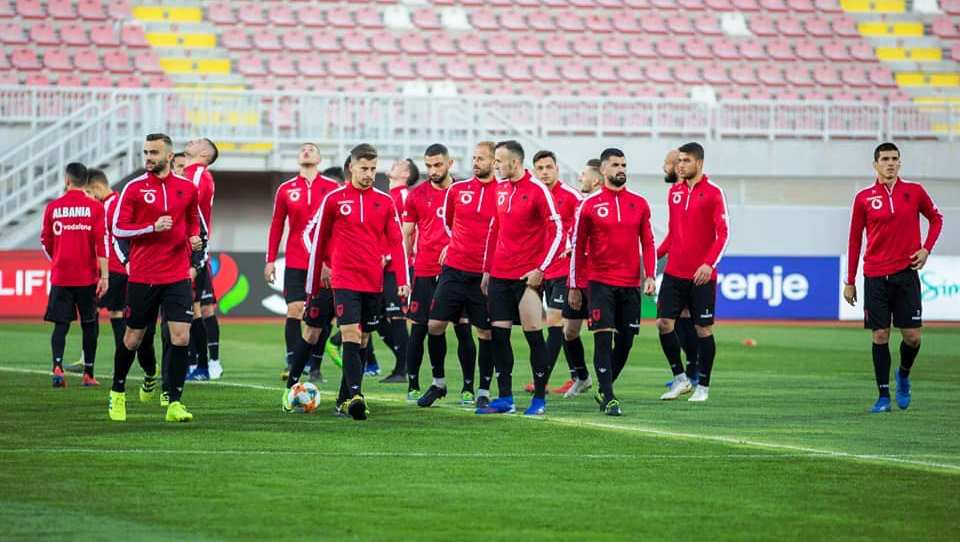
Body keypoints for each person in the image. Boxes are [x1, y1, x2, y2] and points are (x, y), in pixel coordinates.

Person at [284, 143, 408, 420]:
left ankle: (344, 398)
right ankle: (349, 394)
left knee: (362, 340)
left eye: (373, 169)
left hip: (372, 282)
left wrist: (403, 279)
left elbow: (397, 242)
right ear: (351, 167)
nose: (369, 174)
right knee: (339, 333)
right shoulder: (334, 199)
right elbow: (315, 241)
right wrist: (314, 284)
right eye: (364, 168)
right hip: (342, 279)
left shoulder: (384, 201)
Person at [109, 133, 203, 423]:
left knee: (181, 336)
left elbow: (192, 221)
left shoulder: (187, 188)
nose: (148, 157)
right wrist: (151, 226)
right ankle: (117, 392)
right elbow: (119, 229)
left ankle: (174, 402)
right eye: (146, 152)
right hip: (144, 275)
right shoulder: (133, 188)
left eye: (154, 153)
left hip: (176, 275)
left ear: (170, 156)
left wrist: (193, 238)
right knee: (133, 338)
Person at [844, 142, 943, 413]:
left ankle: (904, 374)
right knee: (880, 335)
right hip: (875, 275)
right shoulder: (864, 198)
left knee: (912, 337)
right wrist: (850, 280)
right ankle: (883, 397)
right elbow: (854, 239)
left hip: (906, 275)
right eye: (885, 159)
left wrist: (926, 249)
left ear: (900, 163)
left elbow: (936, 219)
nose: (890, 163)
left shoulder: (914, 192)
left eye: (895, 159)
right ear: (875, 164)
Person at [478, 140, 563, 416]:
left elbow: (558, 231)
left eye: (499, 160)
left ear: (514, 162)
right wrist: (487, 269)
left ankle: (539, 398)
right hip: (500, 275)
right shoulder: (499, 189)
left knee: (533, 336)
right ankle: (505, 398)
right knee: (499, 336)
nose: (495, 165)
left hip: (526, 278)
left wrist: (541, 269)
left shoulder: (538, 190)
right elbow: (494, 229)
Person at [569, 148, 656, 416]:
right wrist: (574, 284)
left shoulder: (639, 203)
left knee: (627, 341)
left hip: (630, 284)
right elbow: (578, 245)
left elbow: (648, 241)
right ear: (603, 170)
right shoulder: (589, 205)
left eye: (624, 165)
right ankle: (608, 396)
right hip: (600, 282)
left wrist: (650, 274)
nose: (621, 169)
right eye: (616, 165)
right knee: (603, 339)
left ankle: (604, 387)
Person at [426, 141, 499, 409]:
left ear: (495, 162)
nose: (476, 162)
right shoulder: (458, 189)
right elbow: (449, 222)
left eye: (482, 158)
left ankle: (483, 389)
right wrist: (453, 245)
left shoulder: (502, 193)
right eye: (474, 157)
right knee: (434, 325)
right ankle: (438, 383)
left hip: (483, 274)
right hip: (454, 269)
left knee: (485, 333)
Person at [656, 142, 729, 403]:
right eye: (679, 161)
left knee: (703, 330)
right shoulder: (674, 192)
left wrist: (709, 264)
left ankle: (703, 386)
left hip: (702, 276)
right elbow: (674, 232)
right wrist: (655, 254)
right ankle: (680, 378)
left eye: (685, 161)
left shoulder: (713, 193)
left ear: (698, 163)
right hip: (675, 272)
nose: (680, 165)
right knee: (664, 324)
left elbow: (723, 233)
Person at [406, 144, 477, 407]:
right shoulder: (416, 196)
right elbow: (407, 233)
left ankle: (468, 388)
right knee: (420, 328)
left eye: (438, 165)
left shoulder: (464, 192)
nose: (433, 170)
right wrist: (406, 271)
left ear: (450, 163)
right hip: (425, 269)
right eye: (428, 166)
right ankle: (414, 384)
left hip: (457, 270)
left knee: (462, 329)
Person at [265, 143, 340, 381]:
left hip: (324, 265)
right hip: (296, 261)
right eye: (302, 150)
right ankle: (293, 362)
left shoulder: (331, 188)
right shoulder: (286, 189)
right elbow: (277, 225)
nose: (306, 152)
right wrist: (270, 260)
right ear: (298, 158)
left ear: (319, 158)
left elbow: (337, 229)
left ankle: (315, 367)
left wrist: (331, 261)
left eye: (312, 149)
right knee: (294, 310)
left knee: (321, 316)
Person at [523, 150, 586, 397]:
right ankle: (579, 376)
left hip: (565, 270)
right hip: (541, 269)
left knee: (556, 321)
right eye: (540, 168)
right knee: (567, 329)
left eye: (549, 167)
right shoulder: (534, 196)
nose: (545, 172)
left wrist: (573, 247)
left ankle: (542, 379)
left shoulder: (571, 196)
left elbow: (585, 223)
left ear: (557, 169)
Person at [40, 162, 108, 388]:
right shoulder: (96, 208)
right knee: (90, 325)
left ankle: (57, 367)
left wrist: (58, 258)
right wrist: (104, 276)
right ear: (85, 181)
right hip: (87, 278)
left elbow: (46, 242)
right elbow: (101, 244)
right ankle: (88, 374)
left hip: (61, 276)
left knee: (60, 325)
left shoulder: (53, 207)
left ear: (67, 180)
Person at [559, 163, 603, 397]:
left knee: (603, 333)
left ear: (596, 180)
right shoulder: (581, 204)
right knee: (569, 331)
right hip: (578, 277)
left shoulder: (602, 204)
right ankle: (582, 377)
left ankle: (607, 382)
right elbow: (572, 235)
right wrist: (570, 247)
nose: (580, 177)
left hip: (600, 279)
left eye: (584, 174)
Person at [182, 138, 223, 381]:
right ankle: (193, 363)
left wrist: (197, 252)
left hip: (190, 249)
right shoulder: (189, 173)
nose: (191, 140)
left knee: (197, 309)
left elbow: (193, 210)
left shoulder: (197, 174)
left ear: (205, 153)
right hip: (184, 248)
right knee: (188, 310)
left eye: (198, 141)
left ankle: (203, 364)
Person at [661, 149, 699, 388]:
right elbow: (674, 233)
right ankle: (691, 371)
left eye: (666, 164)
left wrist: (654, 253)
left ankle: (693, 371)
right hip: (678, 261)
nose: (663, 168)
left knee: (680, 320)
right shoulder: (674, 192)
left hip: (689, 266)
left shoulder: (692, 192)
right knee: (682, 318)